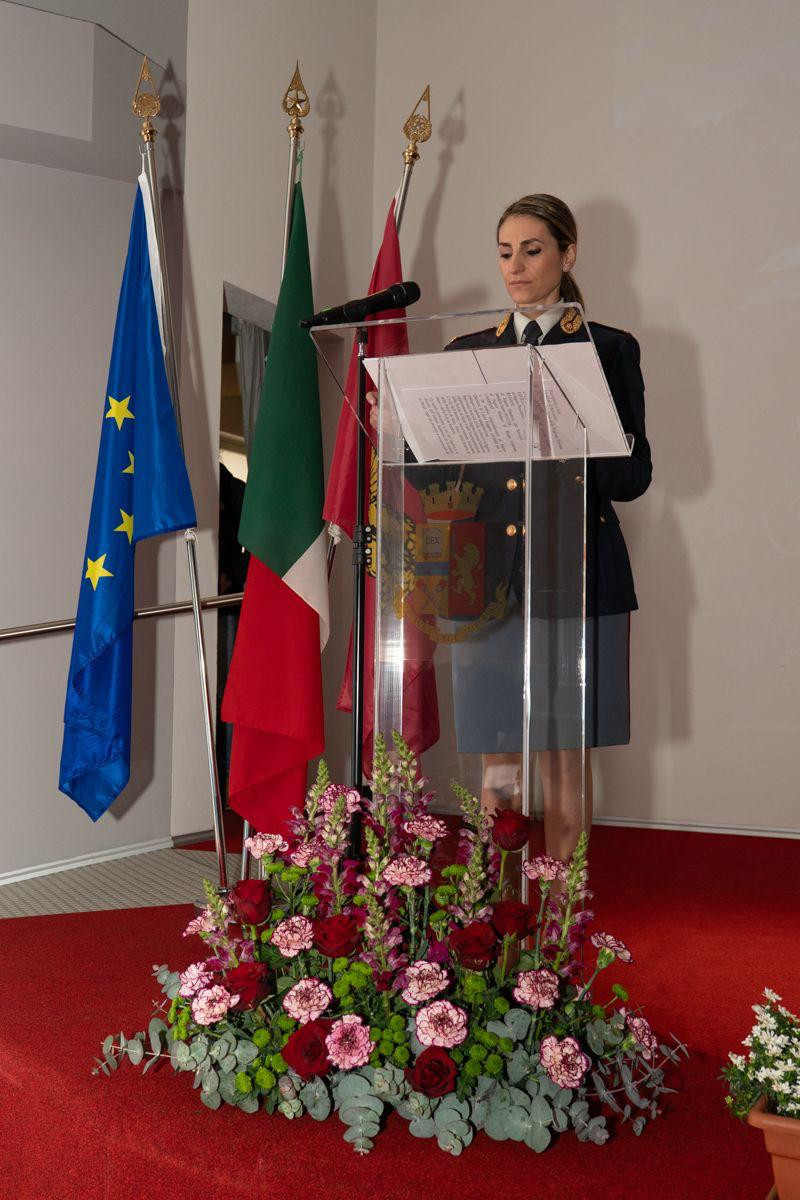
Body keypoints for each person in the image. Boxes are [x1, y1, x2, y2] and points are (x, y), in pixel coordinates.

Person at [439, 193, 652, 867]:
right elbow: (438, 473)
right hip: (487, 579)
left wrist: (571, 430)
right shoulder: (467, 351)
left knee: (564, 753)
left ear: (568, 254)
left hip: (575, 573)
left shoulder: (607, 349)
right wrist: (403, 429)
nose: (516, 266)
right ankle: (490, 901)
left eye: (532, 250)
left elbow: (634, 475)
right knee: (498, 751)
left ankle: (562, 905)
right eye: (505, 252)